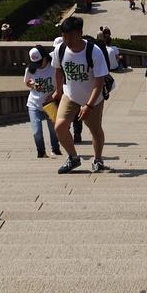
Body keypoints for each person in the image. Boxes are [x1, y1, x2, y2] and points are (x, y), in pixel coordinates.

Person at [51, 16, 108, 174]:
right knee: (60, 127)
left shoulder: (93, 52)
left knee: (95, 130)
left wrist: (89, 105)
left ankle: (98, 159)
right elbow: (57, 69)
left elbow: (99, 82)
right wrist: (58, 89)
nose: (67, 39)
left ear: (80, 33)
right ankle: (73, 157)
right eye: (64, 35)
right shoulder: (60, 49)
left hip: (93, 98)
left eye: (71, 35)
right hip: (70, 95)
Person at [24, 47, 61, 158]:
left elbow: (61, 84)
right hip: (34, 104)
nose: (38, 65)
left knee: (53, 129)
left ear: (45, 57)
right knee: (37, 132)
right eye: (35, 63)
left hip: (50, 103)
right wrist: (32, 84)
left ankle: (55, 149)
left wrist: (53, 95)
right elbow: (27, 82)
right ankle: (41, 152)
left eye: (40, 62)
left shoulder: (54, 67)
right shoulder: (30, 69)